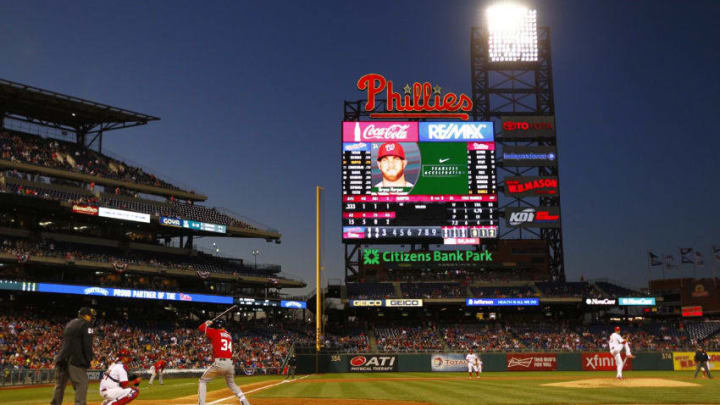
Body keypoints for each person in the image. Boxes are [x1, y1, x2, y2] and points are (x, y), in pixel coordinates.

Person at [197, 319, 250, 405]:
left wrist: (206, 323)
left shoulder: (214, 332)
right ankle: (245, 402)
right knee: (231, 383)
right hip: (230, 364)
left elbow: (200, 328)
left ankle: (201, 404)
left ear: (216, 326)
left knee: (202, 381)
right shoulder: (229, 335)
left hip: (220, 363)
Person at [51, 307, 96, 405]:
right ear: (86, 316)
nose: (91, 318)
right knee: (81, 384)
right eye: (91, 316)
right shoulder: (87, 324)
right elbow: (87, 344)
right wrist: (90, 359)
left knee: (60, 385)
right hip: (76, 360)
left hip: (62, 358)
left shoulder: (70, 323)